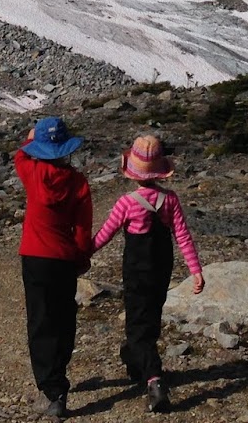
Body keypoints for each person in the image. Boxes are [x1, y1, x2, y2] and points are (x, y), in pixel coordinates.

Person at [91, 134, 204, 414]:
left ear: (132, 172)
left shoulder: (126, 202)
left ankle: (154, 379)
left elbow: (105, 234)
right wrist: (195, 270)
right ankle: (134, 360)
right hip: (161, 268)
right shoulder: (170, 199)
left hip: (136, 270)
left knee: (136, 322)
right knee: (150, 318)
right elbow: (183, 236)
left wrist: (83, 253)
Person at [14, 115, 93, 419]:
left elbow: (20, 155)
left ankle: (52, 388)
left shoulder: (32, 171)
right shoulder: (78, 182)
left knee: (40, 320)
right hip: (64, 259)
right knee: (63, 319)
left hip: (34, 257)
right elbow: (83, 229)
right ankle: (59, 375)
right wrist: (82, 257)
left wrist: (29, 137)